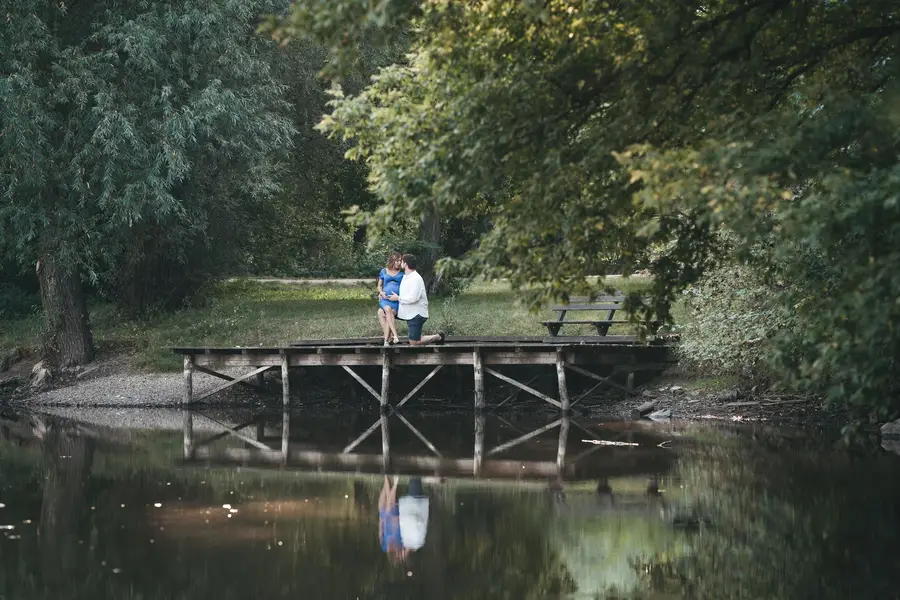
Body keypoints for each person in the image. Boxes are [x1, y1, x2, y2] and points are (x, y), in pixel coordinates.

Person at [386, 254, 445, 345]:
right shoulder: (406, 276)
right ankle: (389, 338)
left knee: (414, 342)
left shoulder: (416, 278)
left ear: (405, 264)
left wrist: (398, 298)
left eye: (401, 261)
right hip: (406, 311)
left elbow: (413, 298)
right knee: (383, 312)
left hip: (416, 314)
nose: (400, 263)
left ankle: (438, 337)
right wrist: (383, 294)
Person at [378, 475, 430, 564]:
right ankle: (392, 481)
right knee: (389, 507)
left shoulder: (385, 546)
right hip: (396, 516)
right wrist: (404, 554)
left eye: (398, 554)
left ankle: (388, 478)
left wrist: (381, 520)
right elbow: (411, 545)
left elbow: (380, 532)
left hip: (388, 517)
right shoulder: (402, 545)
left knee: (385, 508)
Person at [377, 252, 404, 346]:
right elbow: (379, 286)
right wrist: (381, 293)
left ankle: (387, 340)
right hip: (385, 299)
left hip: (395, 300)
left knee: (388, 313)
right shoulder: (384, 271)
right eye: (397, 260)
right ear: (392, 261)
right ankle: (393, 337)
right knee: (387, 310)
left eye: (400, 261)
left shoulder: (402, 274)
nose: (399, 262)